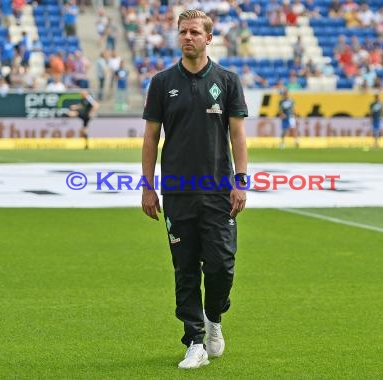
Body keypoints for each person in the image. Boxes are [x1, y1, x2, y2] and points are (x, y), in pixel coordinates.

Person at [141, 9, 248, 370]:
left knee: (221, 265)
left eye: (195, 32)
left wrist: (241, 180)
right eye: (183, 31)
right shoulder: (161, 83)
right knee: (185, 268)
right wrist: (147, 186)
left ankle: (214, 315)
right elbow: (151, 137)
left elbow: (237, 134)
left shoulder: (228, 80)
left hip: (218, 191)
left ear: (208, 38)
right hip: (177, 192)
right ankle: (194, 341)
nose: (188, 37)